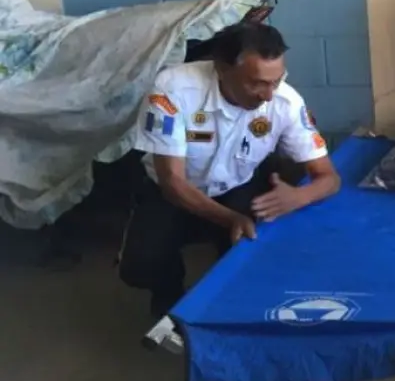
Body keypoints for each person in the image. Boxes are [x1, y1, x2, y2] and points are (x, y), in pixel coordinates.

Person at [118, 22, 341, 317]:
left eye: (276, 81)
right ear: (221, 69)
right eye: (257, 83)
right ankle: (169, 291)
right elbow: (172, 182)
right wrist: (230, 219)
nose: (268, 95)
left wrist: (300, 196)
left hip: (238, 186)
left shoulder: (285, 102)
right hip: (172, 192)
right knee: (141, 265)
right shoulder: (172, 89)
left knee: (253, 255)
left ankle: (234, 305)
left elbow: (329, 178)